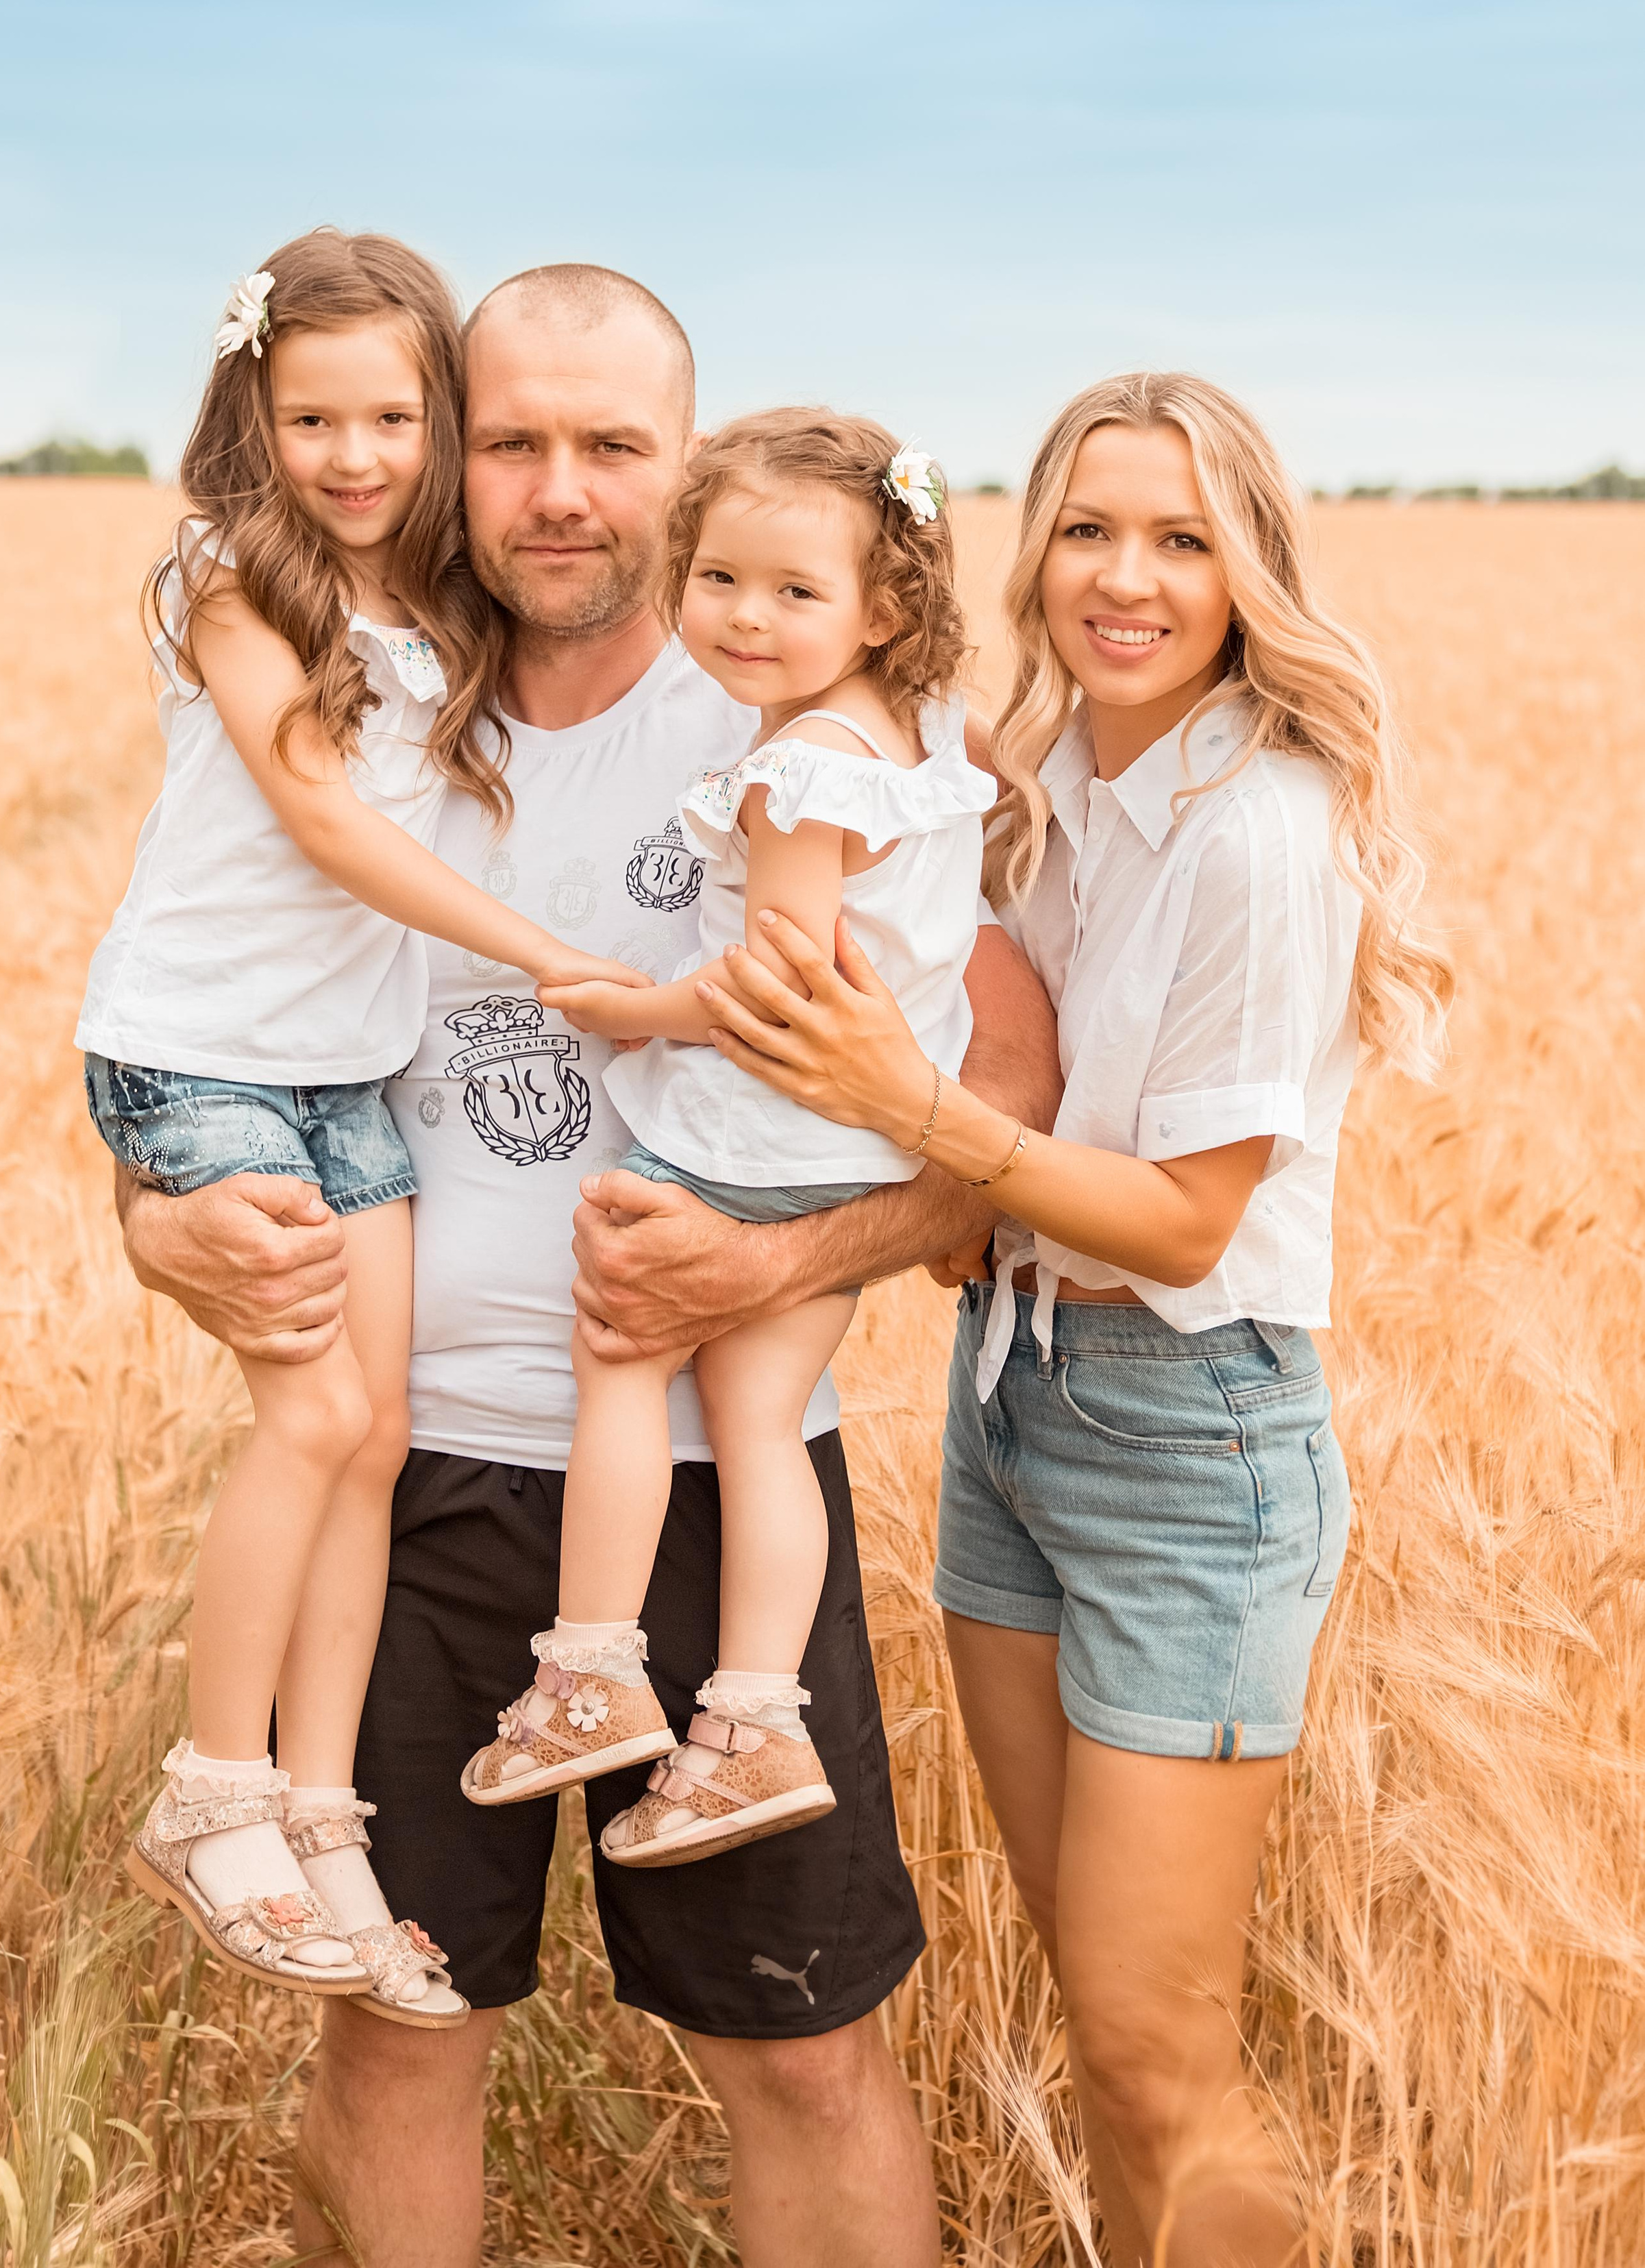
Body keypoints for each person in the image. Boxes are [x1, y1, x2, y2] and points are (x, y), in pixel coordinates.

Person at [114, 261, 1061, 2268]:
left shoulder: (803, 714)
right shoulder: (348, 687)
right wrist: (157, 1218)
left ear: (687, 465)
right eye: (515, 441)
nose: (560, 491)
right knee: (399, 2030)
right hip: (416, 1491)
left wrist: (791, 1256)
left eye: (613, 448)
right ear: (454, 457)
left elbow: (1000, 1110)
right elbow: (201, 1020)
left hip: (720, 1486)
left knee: (803, 2051)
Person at [691, 371, 1452, 2266]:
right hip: (1013, 1405)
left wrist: (909, 1115)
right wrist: (923, 1186)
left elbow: (1191, 1228)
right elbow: (1008, 1084)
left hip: (1192, 1436)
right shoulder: (1040, 795)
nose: (1127, 577)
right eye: (1092, 532)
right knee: (1093, 2020)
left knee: (1151, 2044)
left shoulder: (1260, 832)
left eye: (1182, 539)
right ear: (1034, 560)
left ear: (1247, 571)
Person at [79, 230, 647, 2023]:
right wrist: (549, 956)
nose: (351, 455)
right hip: (206, 1053)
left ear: (442, 418)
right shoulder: (229, 574)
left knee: (376, 1435)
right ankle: (213, 1794)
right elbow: (326, 825)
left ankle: (323, 1817)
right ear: (254, 407)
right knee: (311, 1409)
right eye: (310, 414)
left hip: (350, 1067)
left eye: (393, 416)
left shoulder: (434, 607)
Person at [461, 410, 994, 1866]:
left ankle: (589, 1669)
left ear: (884, 607)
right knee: (759, 1425)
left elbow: (777, 975)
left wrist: (635, 1006)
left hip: (750, 1140)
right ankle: (754, 1720)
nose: (745, 618)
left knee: (622, 1356)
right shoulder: (909, 742)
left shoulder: (791, 772)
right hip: (858, 1148)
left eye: (794, 592)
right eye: (718, 580)